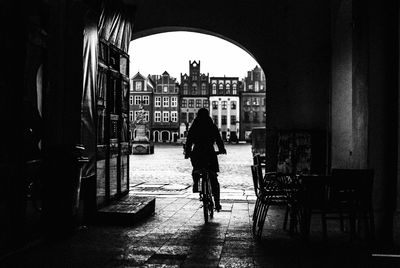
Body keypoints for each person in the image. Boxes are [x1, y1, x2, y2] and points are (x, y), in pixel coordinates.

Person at [184, 108, 226, 211]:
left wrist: (187, 152)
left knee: (196, 169)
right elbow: (218, 139)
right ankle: (217, 203)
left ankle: (196, 183)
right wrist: (222, 149)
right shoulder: (211, 126)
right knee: (214, 179)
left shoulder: (194, 126)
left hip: (197, 153)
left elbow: (189, 140)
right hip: (209, 153)